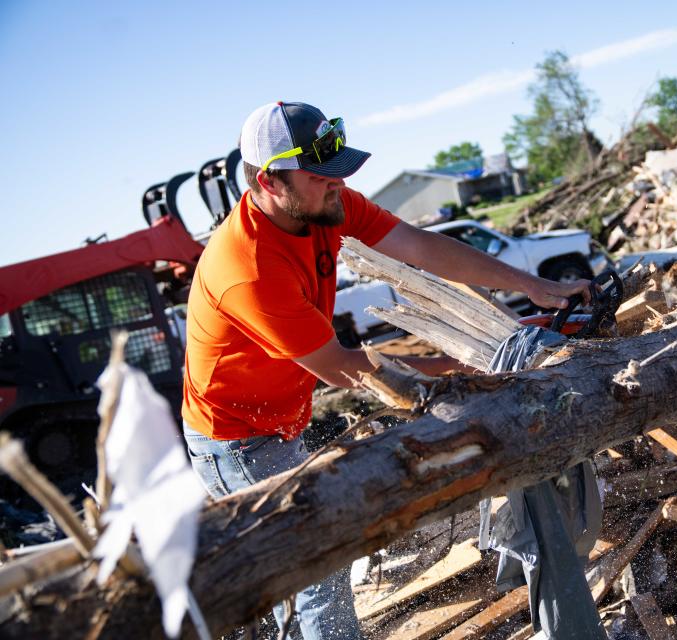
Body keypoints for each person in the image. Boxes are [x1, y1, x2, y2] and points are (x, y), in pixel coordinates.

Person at [181, 100, 591, 640]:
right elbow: (345, 369)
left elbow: (420, 247)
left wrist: (531, 285)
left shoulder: (322, 204)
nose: (339, 183)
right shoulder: (249, 268)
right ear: (269, 181)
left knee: (291, 577)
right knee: (318, 569)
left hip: (279, 420)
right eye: (321, 175)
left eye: (338, 171)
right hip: (237, 439)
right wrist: (464, 353)